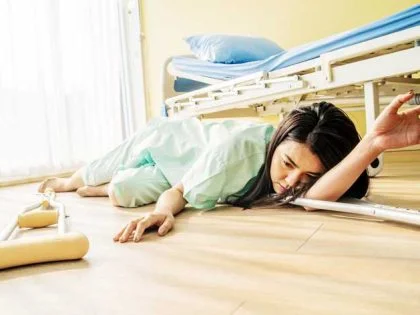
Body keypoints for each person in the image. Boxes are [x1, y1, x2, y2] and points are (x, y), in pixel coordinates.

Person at [38, 91, 420, 243]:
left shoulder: (299, 178)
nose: (291, 184)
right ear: (276, 143)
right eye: (287, 165)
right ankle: (75, 180)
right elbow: (180, 194)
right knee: (96, 171)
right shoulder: (236, 156)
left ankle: (102, 188)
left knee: (123, 190)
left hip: (183, 170)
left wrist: (373, 144)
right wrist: (159, 213)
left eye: (307, 177)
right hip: (170, 142)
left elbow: (312, 199)